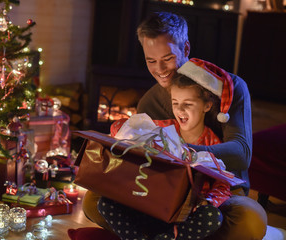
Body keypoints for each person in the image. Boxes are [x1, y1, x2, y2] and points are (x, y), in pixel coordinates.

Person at [82, 12, 267, 240]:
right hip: (163, 192)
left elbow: (241, 154)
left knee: (251, 220)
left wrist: (182, 154)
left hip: (218, 195)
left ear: (186, 49)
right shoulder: (149, 102)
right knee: (92, 201)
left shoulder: (230, 88)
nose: (160, 69)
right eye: (151, 61)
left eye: (167, 58)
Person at [99, 60, 232, 240]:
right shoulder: (163, 130)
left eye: (188, 104)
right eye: (175, 103)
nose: (180, 110)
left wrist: (207, 201)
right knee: (106, 204)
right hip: (151, 206)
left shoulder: (213, 144)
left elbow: (223, 185)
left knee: (212, 217)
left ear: (207, 106)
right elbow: (122, 126)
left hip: (182, 216)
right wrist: (130, 131)